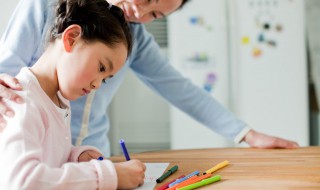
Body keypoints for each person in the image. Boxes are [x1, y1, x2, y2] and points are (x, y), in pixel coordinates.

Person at [0, 0, 298, 157]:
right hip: (35, 149)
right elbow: (7, 69)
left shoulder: (135, 39)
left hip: (90, 156)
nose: (139, 12)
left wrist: (246, 133)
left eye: (155, 14)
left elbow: (179, 88)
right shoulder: (46, 4)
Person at [0, 0, 146, 189]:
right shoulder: (23, 101)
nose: (97, 85)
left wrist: (75, 156)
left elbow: (47, 156)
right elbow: (23, 182)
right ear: (72, 38)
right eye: (101, 67)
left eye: (106, 78)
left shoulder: (57, 100)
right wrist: (109, 176)